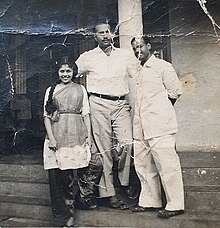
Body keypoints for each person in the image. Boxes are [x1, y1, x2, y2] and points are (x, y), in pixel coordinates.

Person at [76, 23, 136, 209]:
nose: (105, 35)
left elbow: (139, 76)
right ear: (95, 37)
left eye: (108, 32)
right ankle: (109, 193)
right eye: (100, 33)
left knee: (127, 143)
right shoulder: (88, 57)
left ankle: (124, 184)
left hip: (121, 103)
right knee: (104, 150)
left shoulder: (125, 55)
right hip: (98, 103)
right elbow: (70, 73)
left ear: (113, 35)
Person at [43, 57, 102, 227]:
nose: (65, 74)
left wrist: (89, 137)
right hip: (57, 133)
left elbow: (86, 114)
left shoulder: (80, 89)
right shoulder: (51, 90)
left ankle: (84, 199)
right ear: (57, 72)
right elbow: (46, 117)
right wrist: (52, 138)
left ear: (73, 72)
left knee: (90, 165)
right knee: (62, 177)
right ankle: (66, 215)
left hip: (77, 132)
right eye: (62, 71)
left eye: (68, 71)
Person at [130, 36, 184, 218]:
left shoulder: (163, 66)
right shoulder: (137, 70)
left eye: (141, 46)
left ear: (149, 46)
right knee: (144, 165)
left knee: (167, 165)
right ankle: (150, 201)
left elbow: (175, 92)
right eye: (135, 48)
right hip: (140, 126)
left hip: (160, 125)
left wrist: (160, 111)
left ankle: (175, 204)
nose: (138, 51)